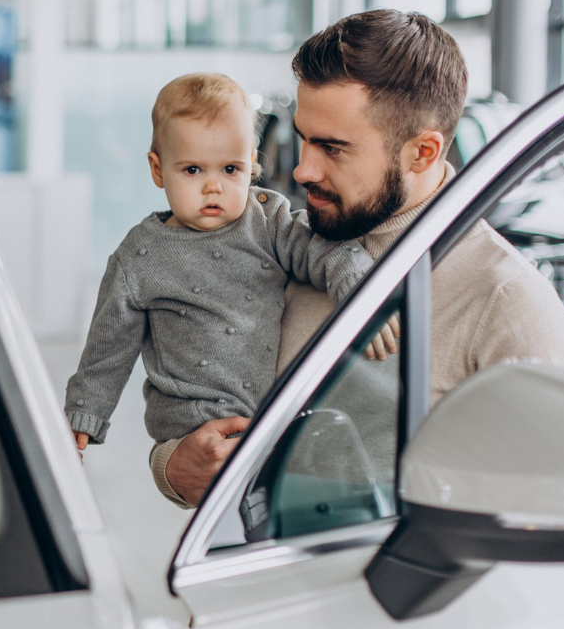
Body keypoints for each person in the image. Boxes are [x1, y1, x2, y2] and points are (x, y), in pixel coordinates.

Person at [153, 9, 564, 506]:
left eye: (333, 149)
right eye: (303, 139)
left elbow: (555, 515)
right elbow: (202, 417)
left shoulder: (507, 302)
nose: (302, 171)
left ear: (422, 152)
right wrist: (172, 465)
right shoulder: (286, 243)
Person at [64, 72, 385, 461]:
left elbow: (323, 249)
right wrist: (85, 414)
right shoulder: (139, 255)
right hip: (189, 418)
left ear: (251, 164)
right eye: (193, 170)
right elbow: (108, 346)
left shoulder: (267, 220)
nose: (213, 186)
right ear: (157, 169)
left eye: (230, 169)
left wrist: (360, 285)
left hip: (267, 412)